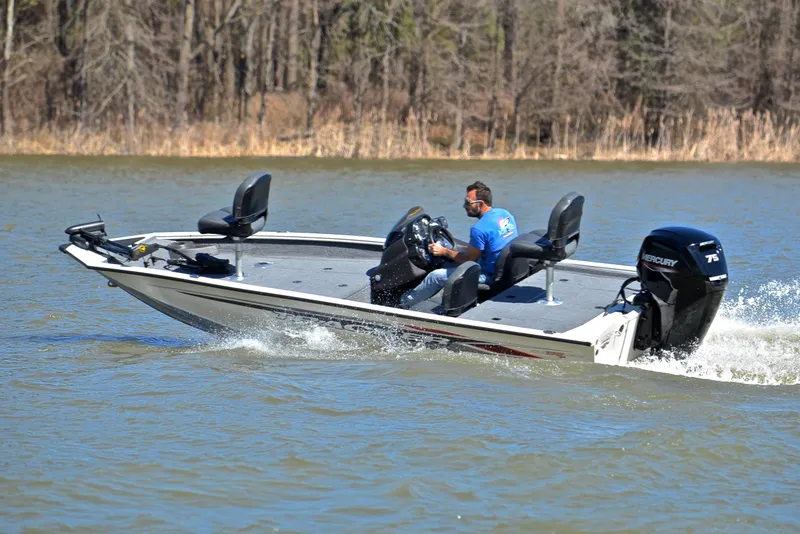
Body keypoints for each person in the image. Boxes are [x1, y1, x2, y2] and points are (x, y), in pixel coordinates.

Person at [400, 181, 518, 309]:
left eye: (468, 203)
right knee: (448, 264)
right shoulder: (504, 214)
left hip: (489, 275)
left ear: (481, 204)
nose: (464, 206)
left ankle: (404, 305)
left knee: (435, 276)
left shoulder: (479, 229)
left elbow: (468, 259)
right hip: (504, 269)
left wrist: (444, 251)